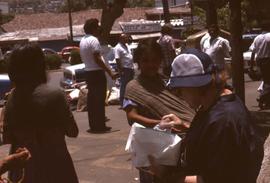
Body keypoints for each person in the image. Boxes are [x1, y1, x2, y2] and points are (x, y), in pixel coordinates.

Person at [153, 48, 263, 183]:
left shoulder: (223, 119)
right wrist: (185, 126)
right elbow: (213, 139)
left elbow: (213, 179)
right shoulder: (216, 103)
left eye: (180, 90)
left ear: (196, 87)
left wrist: (166, 178)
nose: (179, 95)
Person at [3, 43, 79, 183]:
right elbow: (72, 131)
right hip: (56, 168)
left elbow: (7, 137)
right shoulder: (55, 95)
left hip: (23, 171)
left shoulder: (12, 98)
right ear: (40, 66)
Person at [124, 39, 195, 183]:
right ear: (138, 61)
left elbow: (184, 104)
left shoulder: (166, 81)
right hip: (154, 146)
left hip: (182, 140)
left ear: (161, 61)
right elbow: (131, 116)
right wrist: (160, 124)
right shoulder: (133, 87)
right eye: (145, 60)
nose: (151, 64)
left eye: (155, 60)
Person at [80, 18, 117, 133]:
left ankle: (94, 125)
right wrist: (109, 71)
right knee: (100, 100)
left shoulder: (82, 40)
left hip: (88, 72)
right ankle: (100, 125)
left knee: (92, 101)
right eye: (97, 26)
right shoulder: (94, 40)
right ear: (94, 28)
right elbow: (97, 58)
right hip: (96, 72)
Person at [250, 25, 270, 109]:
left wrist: (251, 63)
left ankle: (267, 101)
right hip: (268, 59)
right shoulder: (269, 36)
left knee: (265, 80)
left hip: (259, 60)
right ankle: (262, 97)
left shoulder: (257, 38)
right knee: (268, 81)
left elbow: (253, 51)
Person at [114, 33, 134, 106]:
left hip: (130, 68)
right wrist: (120, 70)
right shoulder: (118, 47)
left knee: (131, 85)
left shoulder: (126, 46)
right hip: (125, 69)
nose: (127, 39)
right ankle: (122, 103)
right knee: (124, 86)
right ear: (121, 39)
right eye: (125, 38)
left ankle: (130, 101)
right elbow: (117, 59)